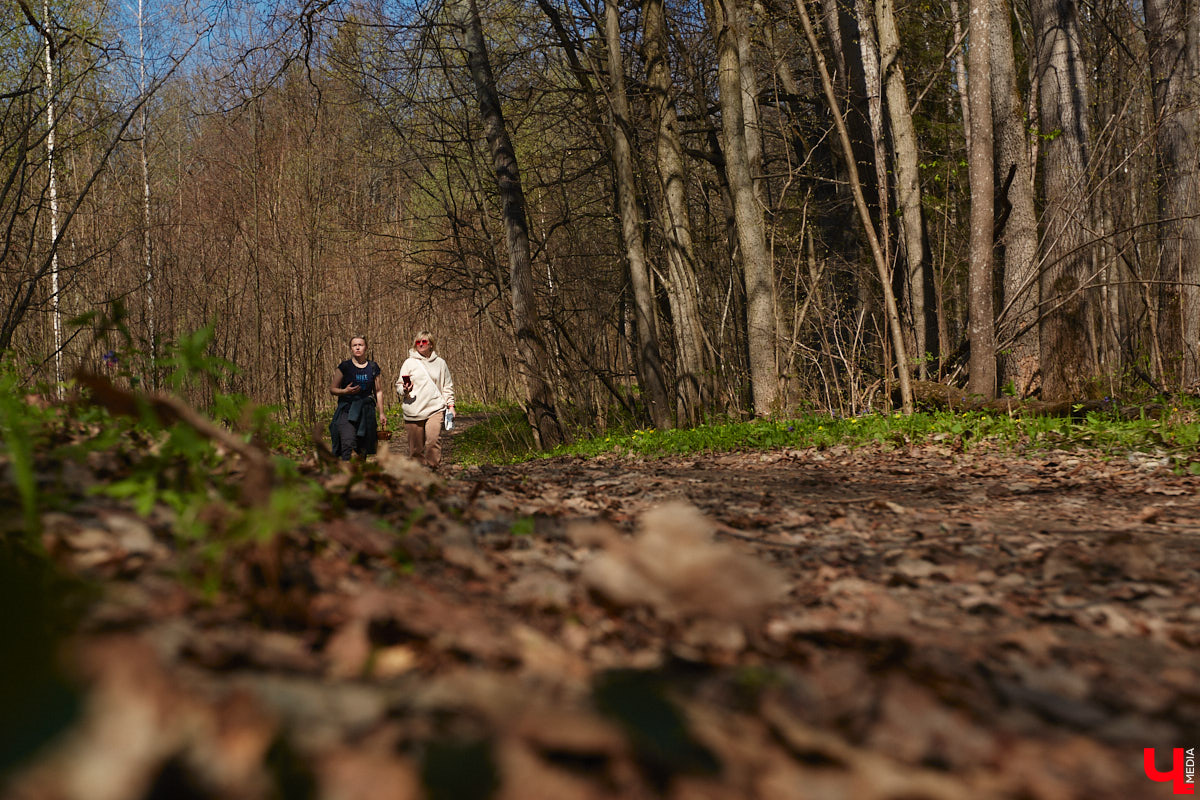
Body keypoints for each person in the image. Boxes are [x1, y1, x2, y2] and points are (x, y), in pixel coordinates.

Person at [396, 330, 455, 469]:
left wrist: (451, 405)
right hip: (413, 409)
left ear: (431, 345)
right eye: (418, 342)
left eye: (424, 342)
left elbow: (447, 386)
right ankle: (418, 475)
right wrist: (405, 389)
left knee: (433, 441)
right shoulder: (409, 363)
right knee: (416, 449)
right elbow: (399, 386)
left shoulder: (440, 363)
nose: (421, 344)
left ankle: (433, 469)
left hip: (435, 408)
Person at [329, 335, 387, 461]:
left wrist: (381, 413)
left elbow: (378, 391)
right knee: (347, 443)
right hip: (347, 410)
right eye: (354, 345)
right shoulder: (345, 367)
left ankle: (359, 475)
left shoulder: (372, 367)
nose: (357, 347)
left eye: (360, 345)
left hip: (366, 411)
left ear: (365, 347)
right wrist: (345, 391)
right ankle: (346, 474)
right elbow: (332, 389)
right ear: (351, 348)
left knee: (362, 448)